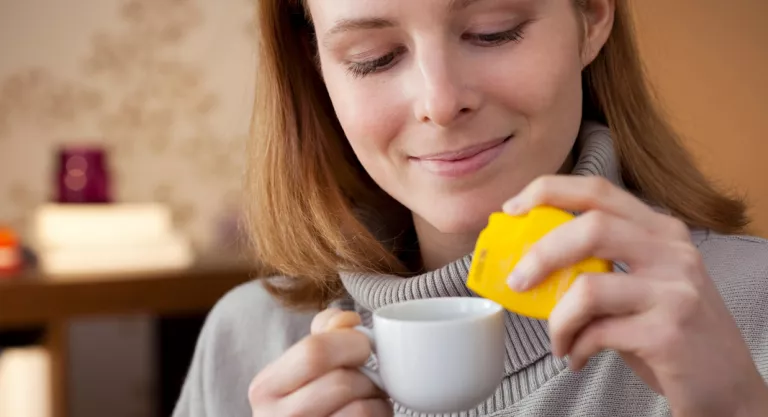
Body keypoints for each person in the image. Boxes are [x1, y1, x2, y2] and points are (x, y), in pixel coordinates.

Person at [173, 0, 768, 416]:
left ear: (591, 16)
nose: (440, 101)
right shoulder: (246, 339)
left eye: (493, 30)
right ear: (317, 66)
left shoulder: (751, 309)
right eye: (373, 56)